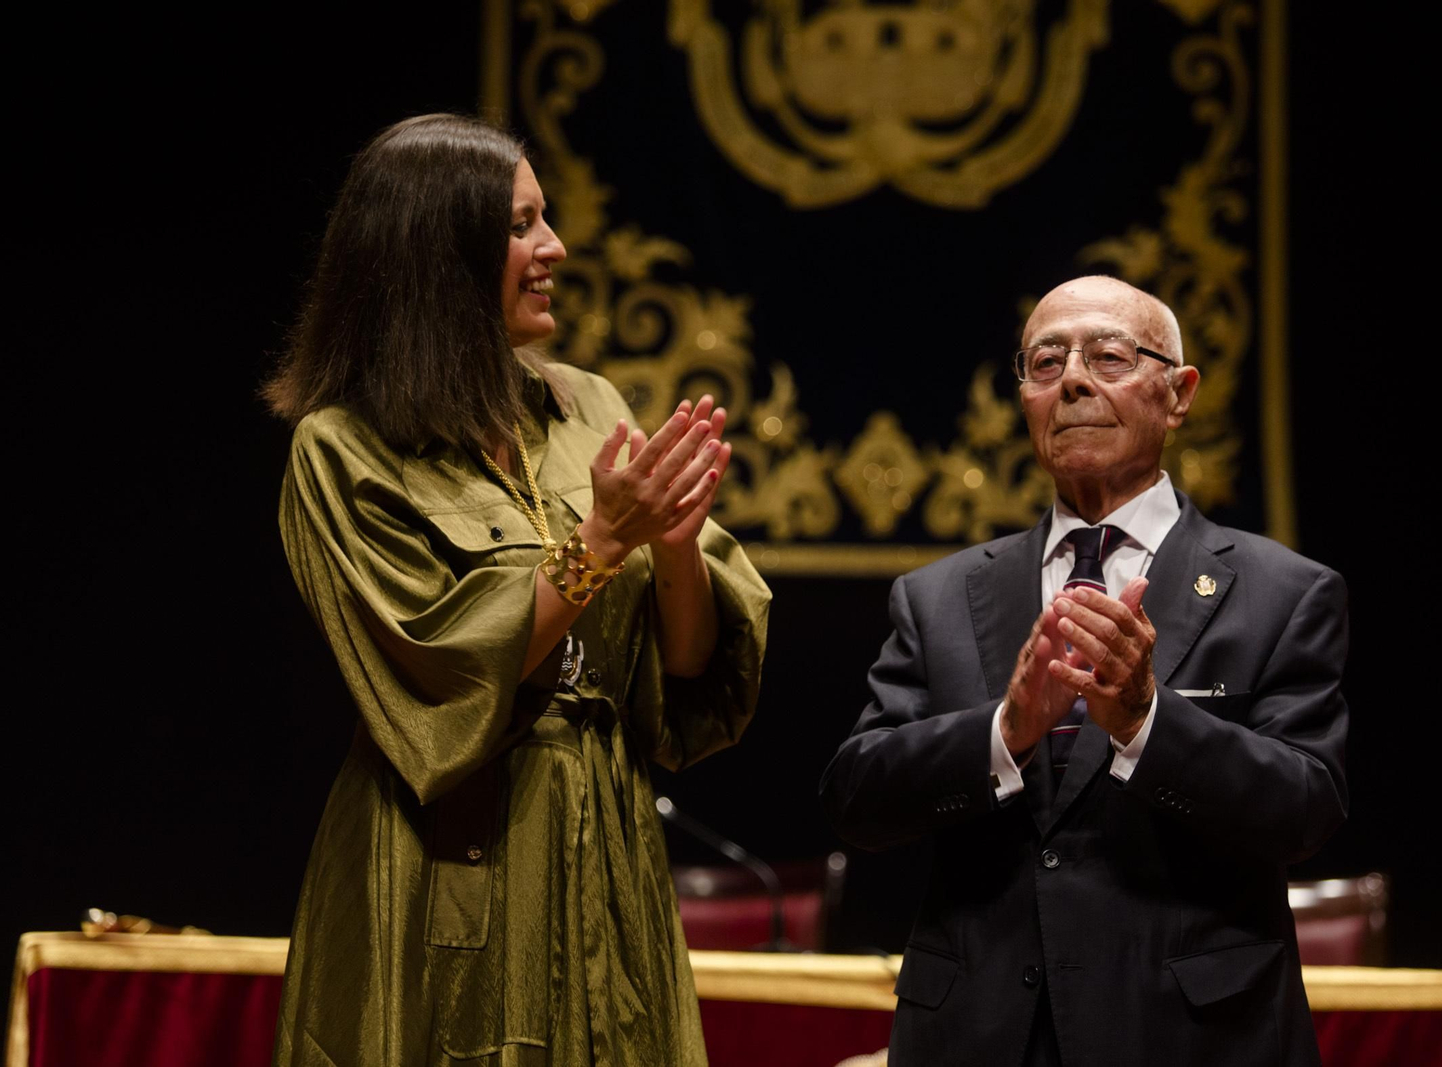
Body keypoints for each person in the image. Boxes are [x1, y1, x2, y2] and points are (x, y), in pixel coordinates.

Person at [264, 114, 770, 1067]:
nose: (555, 248)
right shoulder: (343, 448)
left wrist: (670, 548)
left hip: (603, 840)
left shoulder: (590, 408)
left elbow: (690, 669)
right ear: (436, 256)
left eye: (545, 219)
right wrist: (604, 537)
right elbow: (437, 679)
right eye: (520, 226)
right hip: (445, 853)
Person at [820, 275, 1348, 1066]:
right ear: (1025, 399)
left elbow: (1306, 810)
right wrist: (1006, 732)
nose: (1071, 379)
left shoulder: (1284, 592)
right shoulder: (937, 596)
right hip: (979, 1033)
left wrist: (1146, 721)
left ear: (1179, 393)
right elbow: (856, 797)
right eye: (1044, 362)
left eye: (1108, 355)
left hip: (1191, 1035)